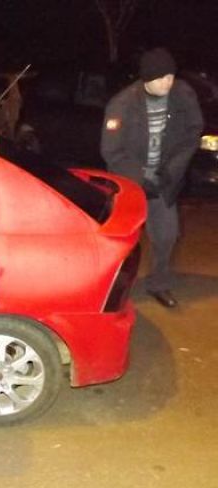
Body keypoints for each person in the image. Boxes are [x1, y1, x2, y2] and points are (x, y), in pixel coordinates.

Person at [101, 47, 203, 308]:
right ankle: (107, 287)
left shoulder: (182, 94)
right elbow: (112, 151)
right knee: (120, 239)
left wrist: (171, 170)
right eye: (161, 78)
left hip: (164, 179)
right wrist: (140, 176)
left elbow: (193, 133)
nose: (168, 82)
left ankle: (158, 283)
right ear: (146, 78)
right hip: (130, 182)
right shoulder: (122, 104)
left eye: (171, 76)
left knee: (167, 235)